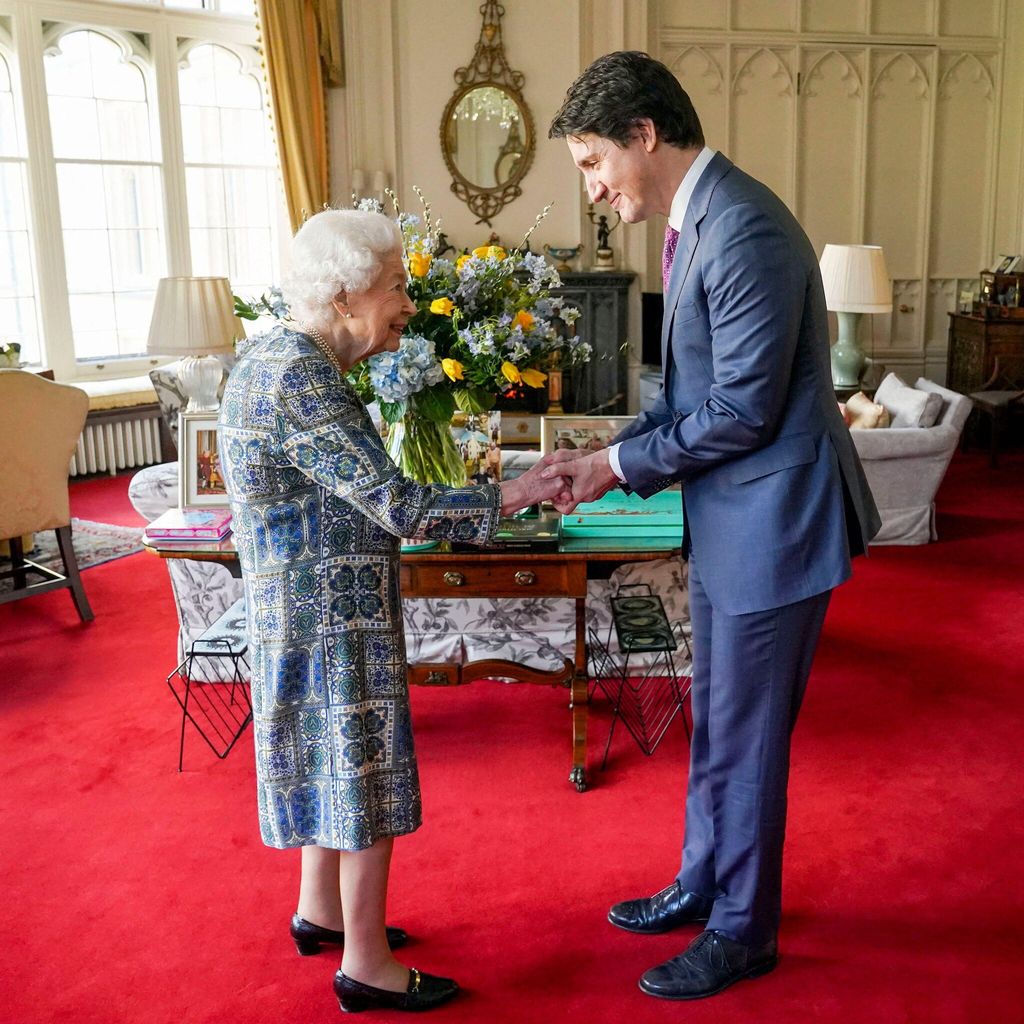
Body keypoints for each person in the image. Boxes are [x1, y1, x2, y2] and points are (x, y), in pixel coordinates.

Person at [545, 52, 880, 1000]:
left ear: (645, 135)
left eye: (591, 160)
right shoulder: (699, 222)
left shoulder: (744, 231)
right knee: (719, 726)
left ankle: (744, 928)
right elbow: (686, 393)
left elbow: (740, 412)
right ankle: (704, 880)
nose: (593, 185)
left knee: (747, 736)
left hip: (776, 524)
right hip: (737, 521)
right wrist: (599, 456)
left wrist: (612, 468)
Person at [217, 209, 570, 1015]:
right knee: (361, 772)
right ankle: (366, 965)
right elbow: (399, 506)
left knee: (328, 762)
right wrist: (515, 491)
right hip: (329, 617)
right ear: (344, 295)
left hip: (297, 606)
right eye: (396, 288)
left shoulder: (278, 356)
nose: (408, 303)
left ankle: (321, 913)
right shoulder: (300, 376)